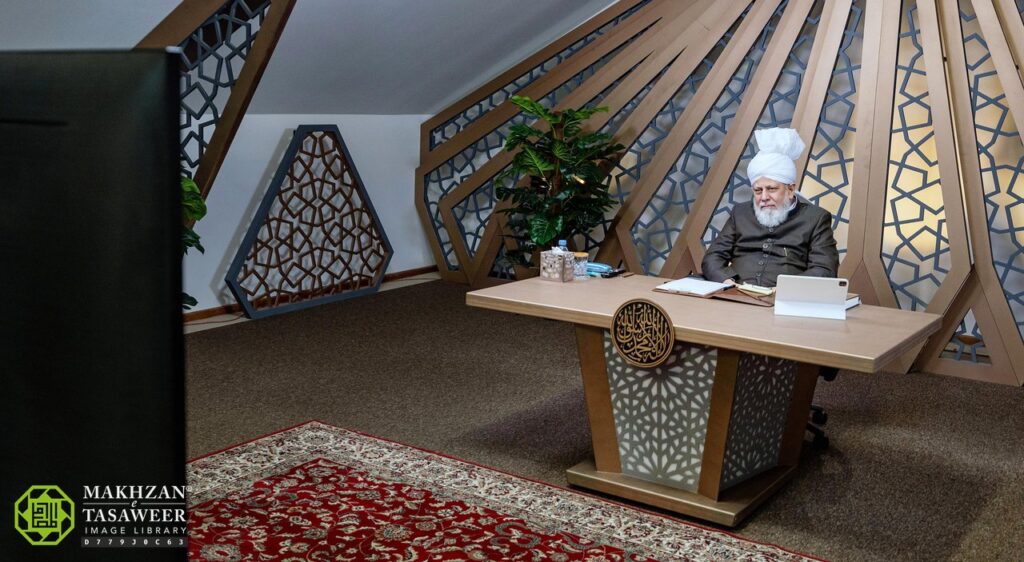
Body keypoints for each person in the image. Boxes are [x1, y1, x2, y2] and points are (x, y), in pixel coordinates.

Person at [701, 127, 839, 288]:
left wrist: (785, 288)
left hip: (784, 297)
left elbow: (824, 269)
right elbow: (713, 257)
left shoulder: (816, 219)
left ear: (790, 189)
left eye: (771, 189)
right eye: (758, 191)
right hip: (736, 293)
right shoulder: (740, 213)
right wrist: (726, 281)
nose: (764, 197)